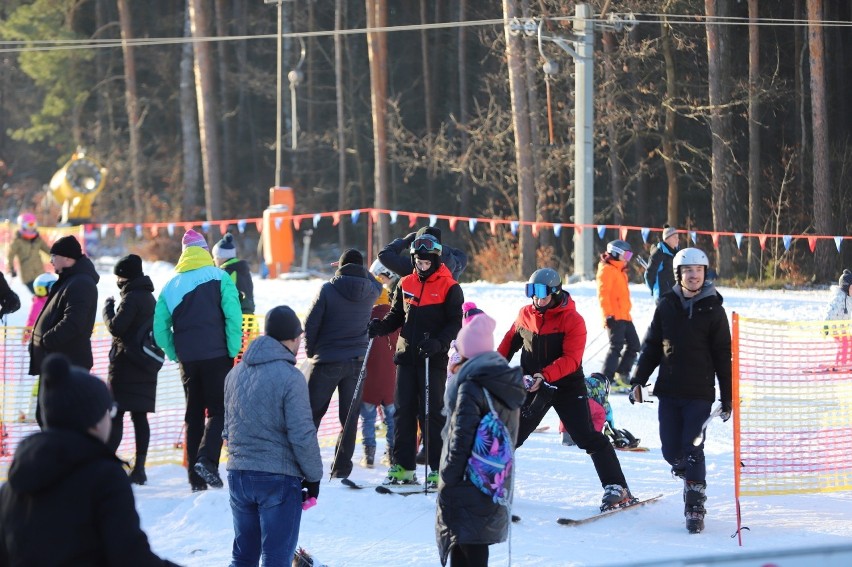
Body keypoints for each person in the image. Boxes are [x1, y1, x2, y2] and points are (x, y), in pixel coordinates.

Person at [0, 353, 179, 566]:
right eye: (109, 412)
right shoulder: (104, 478)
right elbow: (131, 557)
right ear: (93, 419)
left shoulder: (13, 483)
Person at [497, 268, 634, 511]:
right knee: (510, 434)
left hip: (567, 386)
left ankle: (617, 487)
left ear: (555, 292)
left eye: (541, 294)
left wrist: (545, 375)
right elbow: (509, 343)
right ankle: (489, 482)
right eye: (532, 293)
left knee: (586, 436)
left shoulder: (572, 319)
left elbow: (572, 359)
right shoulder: (525, 314)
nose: (537, 300)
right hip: (534, 386)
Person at [629, 247, 732, 534]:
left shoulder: (714, 310)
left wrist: (727, 397)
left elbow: (724, 355)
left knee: (693, 446)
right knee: (671, 450)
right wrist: (638, 380)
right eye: (688, 271)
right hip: (669, 390)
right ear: (679, 274)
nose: (694, 275)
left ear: (705, 273)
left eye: (699, 271)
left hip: (699, 393)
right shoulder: (666, 305)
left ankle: (695, 506)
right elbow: (651, 346)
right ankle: (688, 476)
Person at [223, 306, 323, 566]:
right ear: (290, 339)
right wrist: (313, 477)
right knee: (277, 558)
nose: (300, 342)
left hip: (239, 476)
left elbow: (227, 429)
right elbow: (302, 434)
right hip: (277, 479)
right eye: (299, 337)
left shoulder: (234, 374)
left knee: (243, 556)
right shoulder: (291, 378)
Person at [368, 228, 464, 488]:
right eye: (418, 262)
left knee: (431, 413)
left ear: (435, 261)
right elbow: (397, 316)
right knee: (403, 412)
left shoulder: (450, 286)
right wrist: (381, 327)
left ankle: (436, 467)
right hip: (406, 356)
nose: (421, 267)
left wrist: (440, 342)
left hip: (432, 358)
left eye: (426, 262)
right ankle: (403, 466)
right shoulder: (405, 283)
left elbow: (456, 321)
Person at [153, 228, 243, 492]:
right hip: (217, 355)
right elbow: (233, 316)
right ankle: (207, 461)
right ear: (205, 251)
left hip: (188, 360)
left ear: (184, 254)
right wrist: (232, 349)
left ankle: (195, 478)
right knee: (218, 411)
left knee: (193, 415)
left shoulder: (170, 286)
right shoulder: (220, 276)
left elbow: (159, 328)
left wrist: (174, 352)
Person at [436, 310, 525, 567]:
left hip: (467, 480)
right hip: (493, 479)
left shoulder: (471, 385)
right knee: (476, 543)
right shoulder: (503, 380)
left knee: (465, 545)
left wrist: (448, 478)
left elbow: (460, 438)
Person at [304, 248, 381, 479]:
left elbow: (310, 323)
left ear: (341, 267)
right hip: (357, 363)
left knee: (310, 414)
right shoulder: (372, 291)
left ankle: (304, 463)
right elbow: (374, 280)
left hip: (327, 360)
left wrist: (311, 351)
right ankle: (341, 468)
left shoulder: (328, 289)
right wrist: (361, 270)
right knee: (348, 417)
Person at [29, 235, 100, 428]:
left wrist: (46, 340)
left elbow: (74, 322)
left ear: (68, 258)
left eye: (54, 256)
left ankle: (67, 457)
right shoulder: (69, 280)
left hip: (68, 363)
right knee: (46, 416)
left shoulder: (81, 283)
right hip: (56, 362)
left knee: (61, 419)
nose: (50, 261)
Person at [103, 254, 159, 485]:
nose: (117, 279)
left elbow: (117, 328)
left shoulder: (132, 298)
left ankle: (106, 465)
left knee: (116, 415)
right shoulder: (149, 297)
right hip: (145, 365)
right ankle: (140, 468)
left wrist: (107, 309)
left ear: (126, 276)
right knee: (140, 417)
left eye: (119, 275)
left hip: (126, 365)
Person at [359, 259, 401, 468]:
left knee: (367, 419)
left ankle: (368, 455)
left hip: (368, 380)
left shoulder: (365, 319)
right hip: (390, 380)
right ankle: (392, 454)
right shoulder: (394, 319)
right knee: (392, 420)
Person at [597, 239, 640, 391]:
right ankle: (605, 380)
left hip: (625, 316)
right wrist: (607, 314)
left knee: (635, 345)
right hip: (614, 316)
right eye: (626, 255)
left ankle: (621, 375)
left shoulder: (619, 270)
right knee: (616, 346)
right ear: (616, 253)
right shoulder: (607, 270)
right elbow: (603, 294)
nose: (628, 258)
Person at [378, 226, 468, 281]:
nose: (423, 267)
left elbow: (384, 255)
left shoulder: (412, 268)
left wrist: (405, 241)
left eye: (427, 263)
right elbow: (461, 255)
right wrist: (440, 247)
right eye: (420, 262)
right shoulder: (451, 262)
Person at [6, 212, 51, 295]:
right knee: (39, 295)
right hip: (28, 276)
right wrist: (11, 268)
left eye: (33, 225)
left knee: (46, 296)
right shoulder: (17, 240)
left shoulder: (37, 239)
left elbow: (48, 250)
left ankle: (43, 307)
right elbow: (10, 255)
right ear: (22, 226)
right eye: (29, 225)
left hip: (40, 273)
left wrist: (58, 256)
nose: (31, 228)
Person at [212, 232, 255, 315]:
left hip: (236, 318)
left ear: (222, 258)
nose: (214, 260)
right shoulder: (243, 270)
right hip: (249, 317)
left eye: (215, 257)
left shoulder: (227, 273)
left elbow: (226, 298)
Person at [823, 269, 852, 370]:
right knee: (845, 343)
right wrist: (826, 325)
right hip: (835, 329)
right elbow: (830, 311)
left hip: (843, 329)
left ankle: (848, 362)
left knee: (850, 342)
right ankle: (840, 364)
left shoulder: (849, 299)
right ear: (846, 287)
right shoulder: (838, 298)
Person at [644, 225, 679, 304]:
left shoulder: (677, 253)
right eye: (674, 237)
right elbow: (648, 274)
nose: (677, 239)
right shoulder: (658, 253)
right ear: (667, 238)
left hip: (674, 294)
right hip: (662, 295)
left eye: (678, 237)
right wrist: (654, 289)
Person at [23, 273, 57, 342]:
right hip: (41, 337)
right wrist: (27, 334)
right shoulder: (37, 303)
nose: (39, 293)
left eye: (41, 290)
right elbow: (32, 320)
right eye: (38, 290)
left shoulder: (59, 300)